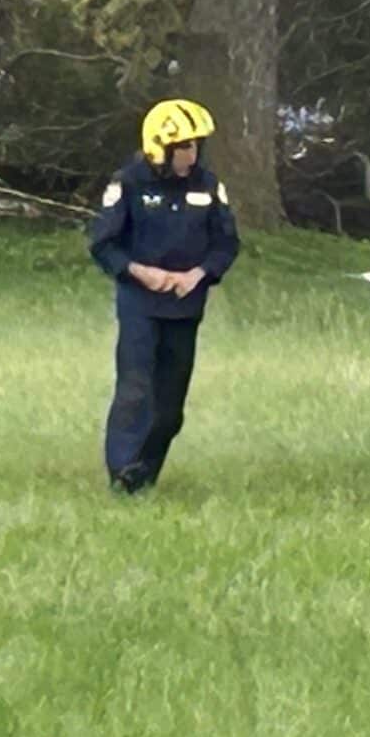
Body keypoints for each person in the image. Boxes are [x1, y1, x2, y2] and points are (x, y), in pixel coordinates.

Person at [88, 98, 241, 495]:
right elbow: (103, 245)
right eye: (185, 147)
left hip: (186, 308)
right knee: (135, 390)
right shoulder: (128, 183)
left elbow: (226, 244)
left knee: (170, 408)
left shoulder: (208, 186)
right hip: (139, 305)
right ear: (161, 147)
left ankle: (145, 474)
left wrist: (199, 275)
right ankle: (122, 475)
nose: (192, 154)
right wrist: (141, 272)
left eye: (196, 146)